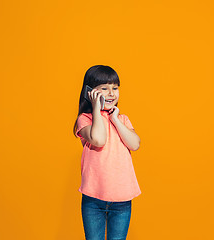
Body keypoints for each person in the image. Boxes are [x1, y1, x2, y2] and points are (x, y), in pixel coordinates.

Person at [73, 65, 142, 240]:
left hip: (122, 200)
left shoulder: (122, 119)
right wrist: (96, 108)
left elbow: (134, 144)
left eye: (115, 88)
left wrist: (115, 120)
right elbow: (99, 140)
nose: (111, 93)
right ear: (90, 92)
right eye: (104, 88)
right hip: (94, 199)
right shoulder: (85, 119)